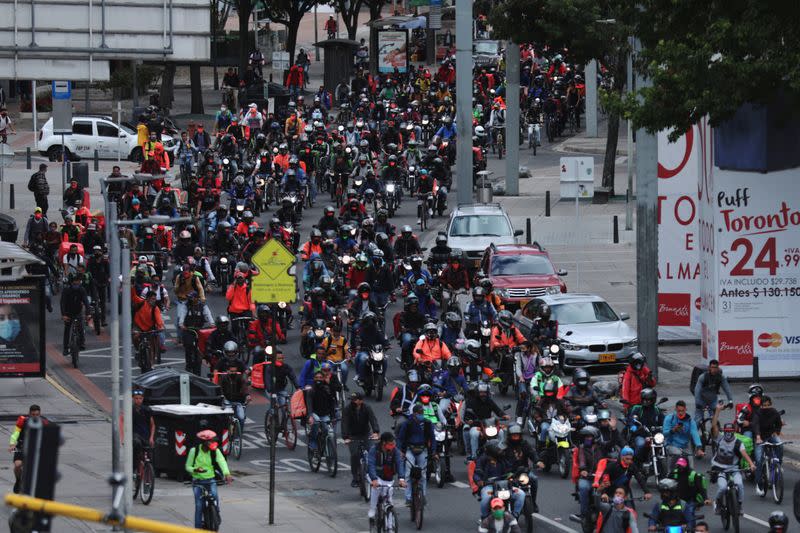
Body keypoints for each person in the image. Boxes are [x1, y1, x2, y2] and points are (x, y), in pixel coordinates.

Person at [709, 402, 755, 513]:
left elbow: (744, 454)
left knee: (739, 484)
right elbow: (714, 425)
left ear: (734, 432)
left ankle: (738, 505)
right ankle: (718, 503)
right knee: (722, 488)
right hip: (720, 469)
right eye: (726, 432)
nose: (728, 434)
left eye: (731, 432)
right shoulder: (719, 438)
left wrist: (751, 464)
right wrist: (718, 411)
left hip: (734, 468)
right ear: (723, 432)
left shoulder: (738, 443)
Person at [185, 429, 233, 529]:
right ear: (204, 442)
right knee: (199, 506)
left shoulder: (215, 451)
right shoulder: (194, 451)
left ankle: (216, 513)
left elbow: (222, 461)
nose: (213, 443)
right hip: (198, 482)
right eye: (211, 441)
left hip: (211, 480)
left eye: (214, 441)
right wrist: (195, 470)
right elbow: (187, 466)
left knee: (215, 496)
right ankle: (197, 529)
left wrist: (227, 473)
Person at [474, 444, 525, 519]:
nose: (501, 451)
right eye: (498, 450)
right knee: (486, 498)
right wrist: (479, 481)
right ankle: (484, 518)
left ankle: (515, 515)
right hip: (489, 486)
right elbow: (477, 473)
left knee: (521, 494)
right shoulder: (482, 460)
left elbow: (511, 469)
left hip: (505, 485)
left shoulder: (503, 460)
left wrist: (515, 473)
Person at [366, 432, 406, 527]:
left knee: (389, 498)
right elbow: (371, 465)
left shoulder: (395, 451)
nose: (393, 446)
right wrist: (374, 479)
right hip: (375, 476)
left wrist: (401, 479)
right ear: (383, 443)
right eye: (390, 444)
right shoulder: (374, 450)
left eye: (394, 444)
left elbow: (400, 463)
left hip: (388, 477)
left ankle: (390, 526)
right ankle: (372, 509)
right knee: (376, 489)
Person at [342, 391, 380, 487]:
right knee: (354, 455)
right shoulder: (347, 409)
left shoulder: (367, 408)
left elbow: (373, 419)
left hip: (365, 434)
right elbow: (344, 423)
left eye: (355, 400)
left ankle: (375, 474)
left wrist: (375, 432)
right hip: (353, 435)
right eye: (352, 400)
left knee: (372, 452)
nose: (353, 402)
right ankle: (355, 478)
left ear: (361, 401)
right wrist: (346, 437)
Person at [463, 382, 509, 460]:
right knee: (474, 434)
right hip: (476, 425)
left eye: (484, 392)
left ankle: (500, 452)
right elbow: (467, 415)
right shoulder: (471, 402)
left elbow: (497, 410)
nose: (483, 394)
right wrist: (470, 420)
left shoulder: (489, 401)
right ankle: (474, 456)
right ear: (477, 392)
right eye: (481, 392)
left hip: (489, 425)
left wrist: (504, 415)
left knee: (501, 432)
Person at [504, 424, 542, 512]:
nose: (516, 437)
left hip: (523, 471)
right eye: (514, 435)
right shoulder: (504, 446)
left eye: (517, 435)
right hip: (509, 472)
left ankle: (533, 502)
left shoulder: (524, 444)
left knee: (534, 479)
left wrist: (537, 461)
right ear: (509, 436)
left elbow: (532, 453)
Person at [8, 405, 46, 494]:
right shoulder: (22, 421)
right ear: (29, 414)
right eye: (33, 414)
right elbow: (15, 433)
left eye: (37, 414)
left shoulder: (43, 423)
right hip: (21, 447)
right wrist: (12, 444)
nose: (35, 416)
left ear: (40, 414)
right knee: (17, 465)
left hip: (34, 448)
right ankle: (18, 481)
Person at [755, 394, 784, 496]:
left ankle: (777, 467)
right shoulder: (758, 413)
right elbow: (756, 425)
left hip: (771, 435)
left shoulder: (774, 412)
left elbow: (779, 424)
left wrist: (777, 432)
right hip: (760, 437)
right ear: (761, 406)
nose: (767, 407)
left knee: (780, 445)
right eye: (764, 405)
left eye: (768, 405)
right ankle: (759, 484)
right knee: (758, 460)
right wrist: (758, 437)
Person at [667, 457, 708, 528]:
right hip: (676, 500)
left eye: (682, 465)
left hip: (690, 500)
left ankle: (692, 529)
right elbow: (666, 484)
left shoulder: (693, 475)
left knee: (689, 514)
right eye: (679, 465)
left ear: (686, 465)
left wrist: (706, 499)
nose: (680, 467)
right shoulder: (674, 473)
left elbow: (701, 488)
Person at [307, 369, 342, 452]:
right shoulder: (311, 390)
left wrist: (333, 416)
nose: (318, 379)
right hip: (314, 413)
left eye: (320, 377)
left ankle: (323, 443)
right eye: (316, 377)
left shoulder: (327, 389)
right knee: (316, 423)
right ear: (314, 379)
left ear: (323, 378)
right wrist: (310, 416)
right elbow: (309, 404)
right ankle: (313, 441)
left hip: (324, 414)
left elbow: (331, 403)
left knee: (326, 429)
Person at [662, 400, 704, 468]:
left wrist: (699, 448)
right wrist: (673, 430)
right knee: (678, 455)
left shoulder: (690, 421)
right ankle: (669, 473)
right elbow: (664, 433)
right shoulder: (669, 418)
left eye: (683, 410)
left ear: (685, 410)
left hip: (685, 446)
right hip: (671, 445)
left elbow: (695, 433)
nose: (681, 413)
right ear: (675, 410)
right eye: (679, 411)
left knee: (690, 467)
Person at [627, 388, 665, 460]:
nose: (645, 402)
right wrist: (633, 426)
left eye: (648, 400)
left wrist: (665, 427)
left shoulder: (656, 410)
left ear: (653, 400)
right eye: (644, 399)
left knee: (664, 444)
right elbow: (631, 419)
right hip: (640, 435)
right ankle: (636, 463)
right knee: (640, 444)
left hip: (654, 436)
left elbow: (663, 421)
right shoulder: (637, 408)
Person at [60, 274, 89, 356]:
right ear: (72, 282)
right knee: (67, 330)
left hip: (78, 312)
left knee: (81, 327)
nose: (77, 283)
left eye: (78, 281)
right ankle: (65, 348)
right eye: (76, 281)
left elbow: (86, 302)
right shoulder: (66, 290)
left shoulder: (82, 290)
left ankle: (82, 344)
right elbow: (62, 303)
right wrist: (63, 315)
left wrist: (88, 313)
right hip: (68, 313)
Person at [132, 390, 155, 468]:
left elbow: (152, 425)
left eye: (140, 398)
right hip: (135, 435)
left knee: (149, 455)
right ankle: (134, 469)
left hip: (145, 435)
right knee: (136, 446)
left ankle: (148, 469)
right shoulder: (130, 410)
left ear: (143, 399)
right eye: (136, 398)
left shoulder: (147, 410)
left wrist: (151, 437)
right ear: (133, 399)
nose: (138, 400)